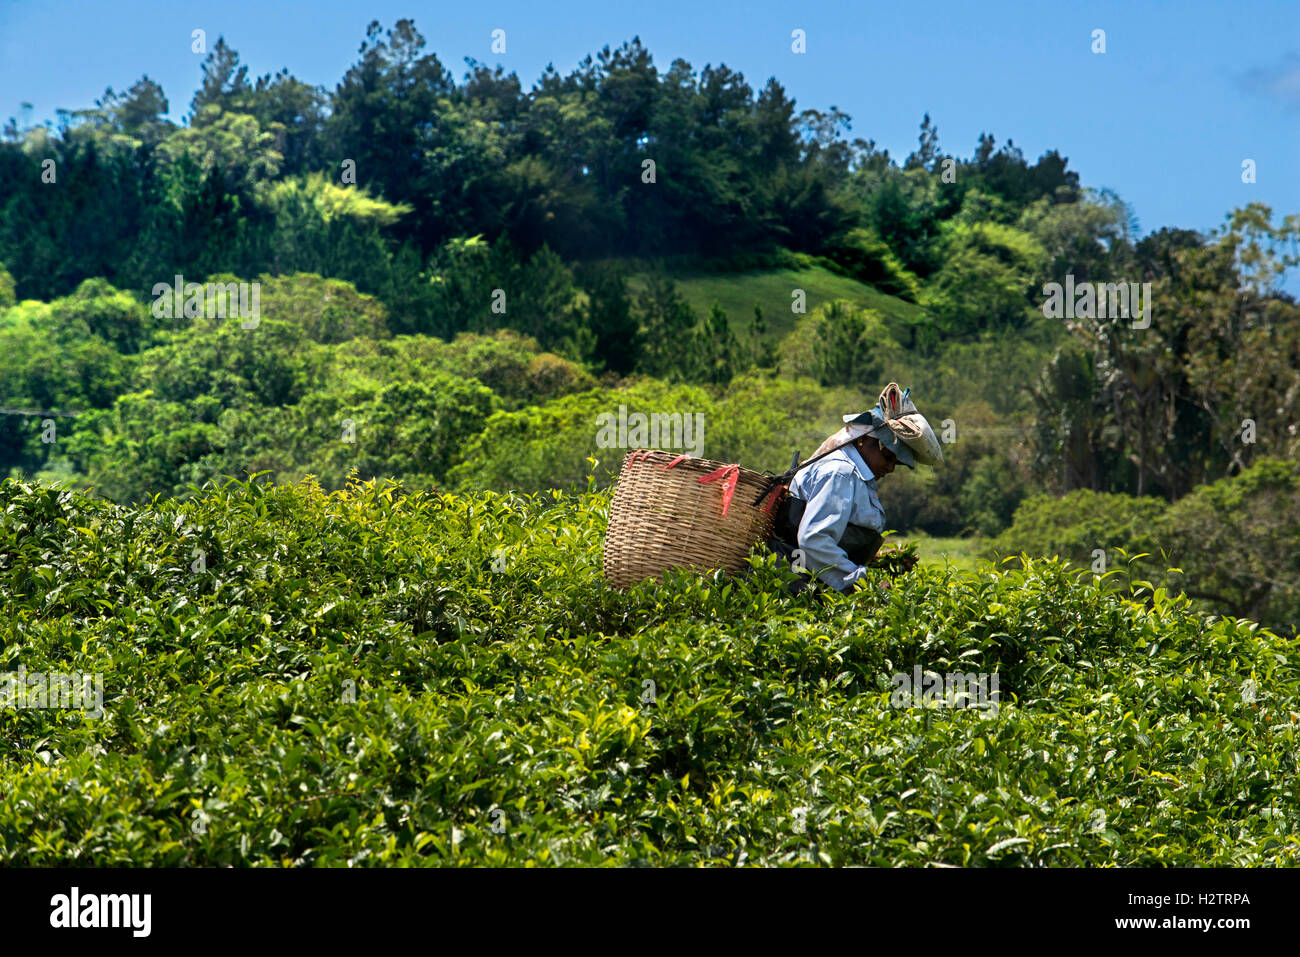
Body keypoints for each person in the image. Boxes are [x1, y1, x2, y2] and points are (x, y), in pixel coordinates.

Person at [768, 382, 943, 594]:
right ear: (862, 441)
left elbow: (837, 541)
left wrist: (878, 560)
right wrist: (863, 583)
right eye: (887, 457)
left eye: (896, 463)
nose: (890, 468)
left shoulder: (857, 478)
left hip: (813, 584)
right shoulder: (840, 473)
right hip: (796, 587)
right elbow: (814, 540)